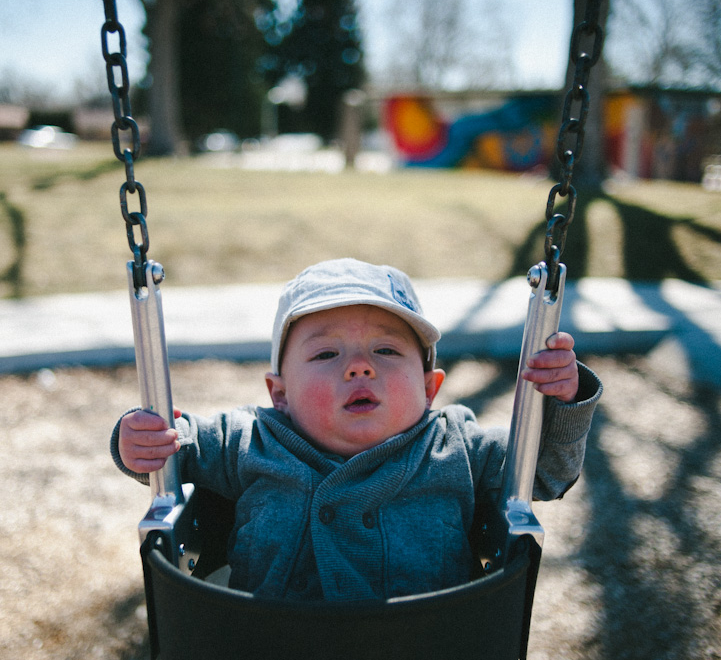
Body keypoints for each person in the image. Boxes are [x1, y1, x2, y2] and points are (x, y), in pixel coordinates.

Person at [111, 258, 602, 601]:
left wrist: (565, 399)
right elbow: (176, 443)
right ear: (279, 394)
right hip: (270, 642)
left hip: (426, 642)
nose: (359, 367)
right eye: (326, 354)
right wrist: (139, 440)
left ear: (430, 388)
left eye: (387, 351)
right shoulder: (251, 438)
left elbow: (543, 472)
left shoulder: (457, 446)